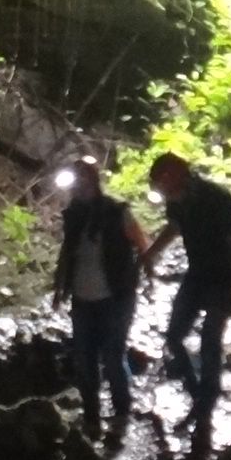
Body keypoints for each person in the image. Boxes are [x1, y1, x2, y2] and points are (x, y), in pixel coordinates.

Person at [142, 152, 231, 451]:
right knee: (174, 337)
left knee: (210, 342)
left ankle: (204, 411)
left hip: (221, 277)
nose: (159, 187)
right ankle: (198, 395)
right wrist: (151, 253)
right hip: (196, 275)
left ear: (175, 173)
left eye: (161, 180)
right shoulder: (177, 201)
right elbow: (175, 227)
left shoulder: (216, 197)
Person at [51, 156, 150, 441]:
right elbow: (67, 252)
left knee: (113, 355)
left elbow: (141, 244)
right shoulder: (74, 215)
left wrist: (144, 278)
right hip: (82, 299)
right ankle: (92, 417)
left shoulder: (117, 211)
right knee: (84, 360)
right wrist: (59, 288)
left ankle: (121, 412)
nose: (78, 186)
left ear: (93, 181)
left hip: (116, 298)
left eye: (83, 179)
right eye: (75, 180)